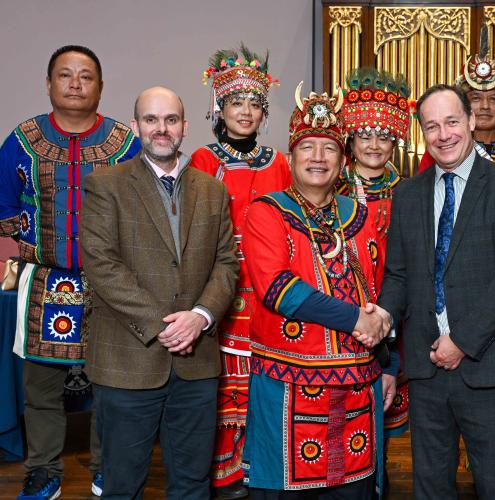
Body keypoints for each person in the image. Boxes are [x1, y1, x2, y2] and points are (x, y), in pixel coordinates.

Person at [378, 83, 495, 499]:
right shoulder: (408, 193)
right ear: (422, 134)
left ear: (469, 121)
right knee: (430, 485)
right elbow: (397, 275)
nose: (443, 134)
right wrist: (381, 317)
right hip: (426, 365)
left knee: (494, 485)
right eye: (431, 126)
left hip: (490, 365)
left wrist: (462, 342)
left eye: (451, 122)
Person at [79, 86, 238, 499]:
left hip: (196, 362)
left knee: (191, 484)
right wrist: (162, 325)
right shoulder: (105, 185)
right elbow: (101, 264)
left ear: (185, 127)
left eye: (170, 120)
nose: (161, 129)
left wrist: (201, 316)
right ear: (136, 127)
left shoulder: (213, 190)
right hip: (127, 361)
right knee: (123, 485)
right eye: (151, 120)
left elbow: (226, 264)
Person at [0, 45, 140, 499]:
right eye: (65, 75)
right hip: (44, 279)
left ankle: (107, 469)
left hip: (111, 284)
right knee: (40, 387)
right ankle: (43, 472)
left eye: (85, 76)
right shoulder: (21, 141)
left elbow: (144, 211)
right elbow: (2, 208)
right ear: (49, 84)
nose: (75, 83)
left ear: (100, 86)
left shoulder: (124, 142)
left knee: (110, 384)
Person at [241, 82, 391, 499]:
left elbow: (386, 282)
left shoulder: (358, 214)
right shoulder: (267, 211)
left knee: (352, 490)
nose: (318, 158)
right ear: (290, 158)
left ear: (343, 162)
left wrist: (387, 345)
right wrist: (356, 319)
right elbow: (277, 289)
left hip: (358, 383)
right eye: (307, 147)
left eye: (329, 148)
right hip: (288, 384)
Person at [191, 44, 291, 499]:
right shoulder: (203, 160)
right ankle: (224, 468)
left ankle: (261, 462)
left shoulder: (279, 162)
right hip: (221, 279)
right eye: (236, 102)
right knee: (223, 377)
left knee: (264, 374)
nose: (246, 111)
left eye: (254, 103)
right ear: (220, 107)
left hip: (269, 280)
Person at [339, 68, 411, 494]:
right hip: (342, 309)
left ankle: (374, 483)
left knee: (379, 409)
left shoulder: (409, 190)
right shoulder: (331, 184)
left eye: (383, 136)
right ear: (350, 138)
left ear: (395, 141)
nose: (373, 144)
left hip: (395, 311)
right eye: (364, 134)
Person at [417, 26, 495, 174]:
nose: (485, 106)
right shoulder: (445, 147)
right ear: (464, 106)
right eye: (476, 98)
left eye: (494, 99)